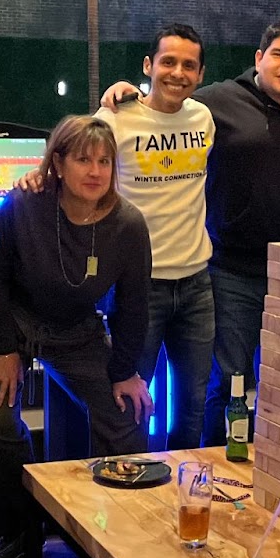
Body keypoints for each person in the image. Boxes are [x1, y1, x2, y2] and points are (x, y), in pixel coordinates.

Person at [104, 19, 280, 444]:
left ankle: (212, 481)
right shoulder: (208, 105)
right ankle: (136, 494)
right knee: (195, 390)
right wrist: (123, 91)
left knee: (259, 390)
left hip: (278, 277)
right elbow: (85, 158)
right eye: (278, 54)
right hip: (209, 275)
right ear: (258, 59)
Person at [0, 115, 154, 558]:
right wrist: (6, 350)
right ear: (59, 164)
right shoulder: (24, 203)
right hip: (4, 320)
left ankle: (119, 529)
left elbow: (134, 306)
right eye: (83, 159)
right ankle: (20, 528)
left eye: (104, 161)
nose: (94, 170)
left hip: (75, 330)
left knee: (125, 415)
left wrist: (125, 371)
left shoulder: (128, 225)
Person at [96, 25, 215, 449]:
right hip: (136, 288)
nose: (177, 73)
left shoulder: (203, 117)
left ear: (200, 74)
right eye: (168, 62)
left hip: (198, 287)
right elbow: (73, 166)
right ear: (148, 66)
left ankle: (183, 500)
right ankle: (130, 498)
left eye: (188, 65)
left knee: (193, 405)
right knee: (129, 403)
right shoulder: (115, 118)